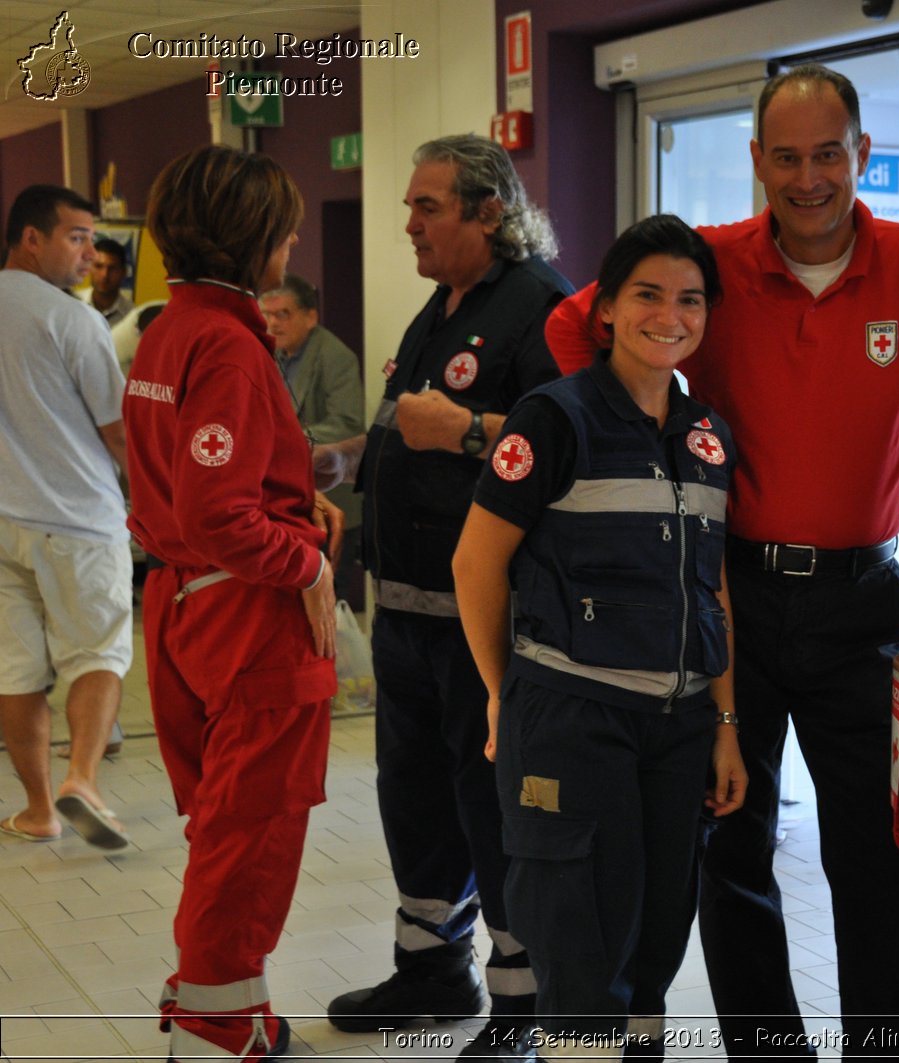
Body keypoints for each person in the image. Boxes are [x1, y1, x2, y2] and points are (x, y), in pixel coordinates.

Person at [546, 64, 899, 1061]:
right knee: (729, 846)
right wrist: (633, 445)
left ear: (862, 155)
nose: (806, 177)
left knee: (880, 858)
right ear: (757, 162)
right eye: (785, 157)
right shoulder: (713, 264)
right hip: (725, 600)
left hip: (860, 604)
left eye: (827, 154)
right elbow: (575, 323)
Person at [454, 214, 747, 1063]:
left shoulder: (706, 437)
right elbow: (477, 564)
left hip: (679, 724)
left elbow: (712, 583)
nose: (672, 314)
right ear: (607, 309)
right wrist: (505, 694)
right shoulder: (555, 418)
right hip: (573, 720)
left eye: (690, 299)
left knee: (653, 949)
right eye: (648, 294)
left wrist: (725, 723)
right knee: (581, 954)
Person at [314, 134, 572, 1059]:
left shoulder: (543, 306)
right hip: (407, 613)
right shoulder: (441, 306)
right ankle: (430, 967)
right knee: (413, 799)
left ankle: (525, 1005)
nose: (410, 224)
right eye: (411, 207)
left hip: (486, 621)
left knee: (493, 807)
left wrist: (466, 431)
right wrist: (356, 458)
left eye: (428, 207)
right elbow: (409, 428)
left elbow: (569, 443)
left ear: (488, 211)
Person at [122, 144, 340, 1062]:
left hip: (182, 605)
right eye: (283, 224)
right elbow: (221, 515)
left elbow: (192, 481)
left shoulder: (164, 332)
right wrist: (307, 560)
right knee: (250, 831)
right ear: (253, 238)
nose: (293, 236)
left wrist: (297, 494)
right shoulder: (230, 343)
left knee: (225, 821)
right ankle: (216, 1031)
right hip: (248, 615)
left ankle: (228, 1003)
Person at [0, 185, 132, 849]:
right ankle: (81, 777)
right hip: (77, 516)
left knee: (14, 668)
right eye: (76, 236)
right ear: (31, 238)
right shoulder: (71, 320)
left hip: (1, 521)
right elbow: (118, 431)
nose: (89, 252)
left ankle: (37, 810)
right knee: (97, 648)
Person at [261, 274, 365, 604]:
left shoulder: (334, 356)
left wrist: (289, 444)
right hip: (290, 498)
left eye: (283, 314)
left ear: (311, 316)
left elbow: (347, 424)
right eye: (267, 314)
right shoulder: (271, 354)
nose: (273, 323)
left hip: (333, 494)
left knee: (330, 600)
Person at [80, 235, 134, 325]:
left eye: (112, 268)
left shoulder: (132, 316)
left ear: (124, 272)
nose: (105, 275)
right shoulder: (73, 304)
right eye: (98, 266)